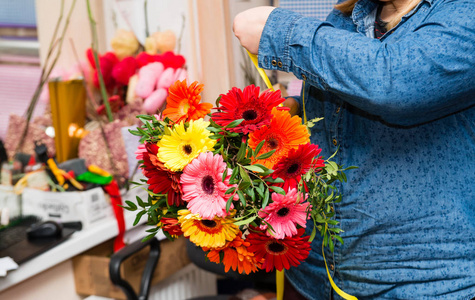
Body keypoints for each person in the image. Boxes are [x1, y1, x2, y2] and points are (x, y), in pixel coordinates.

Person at [233, 0, 475, 299]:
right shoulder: (347, 16)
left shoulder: (466, 11)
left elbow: (393, 81)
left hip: (426, 286)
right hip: (317, 278)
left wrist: (280, 33)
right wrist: (296, 110)